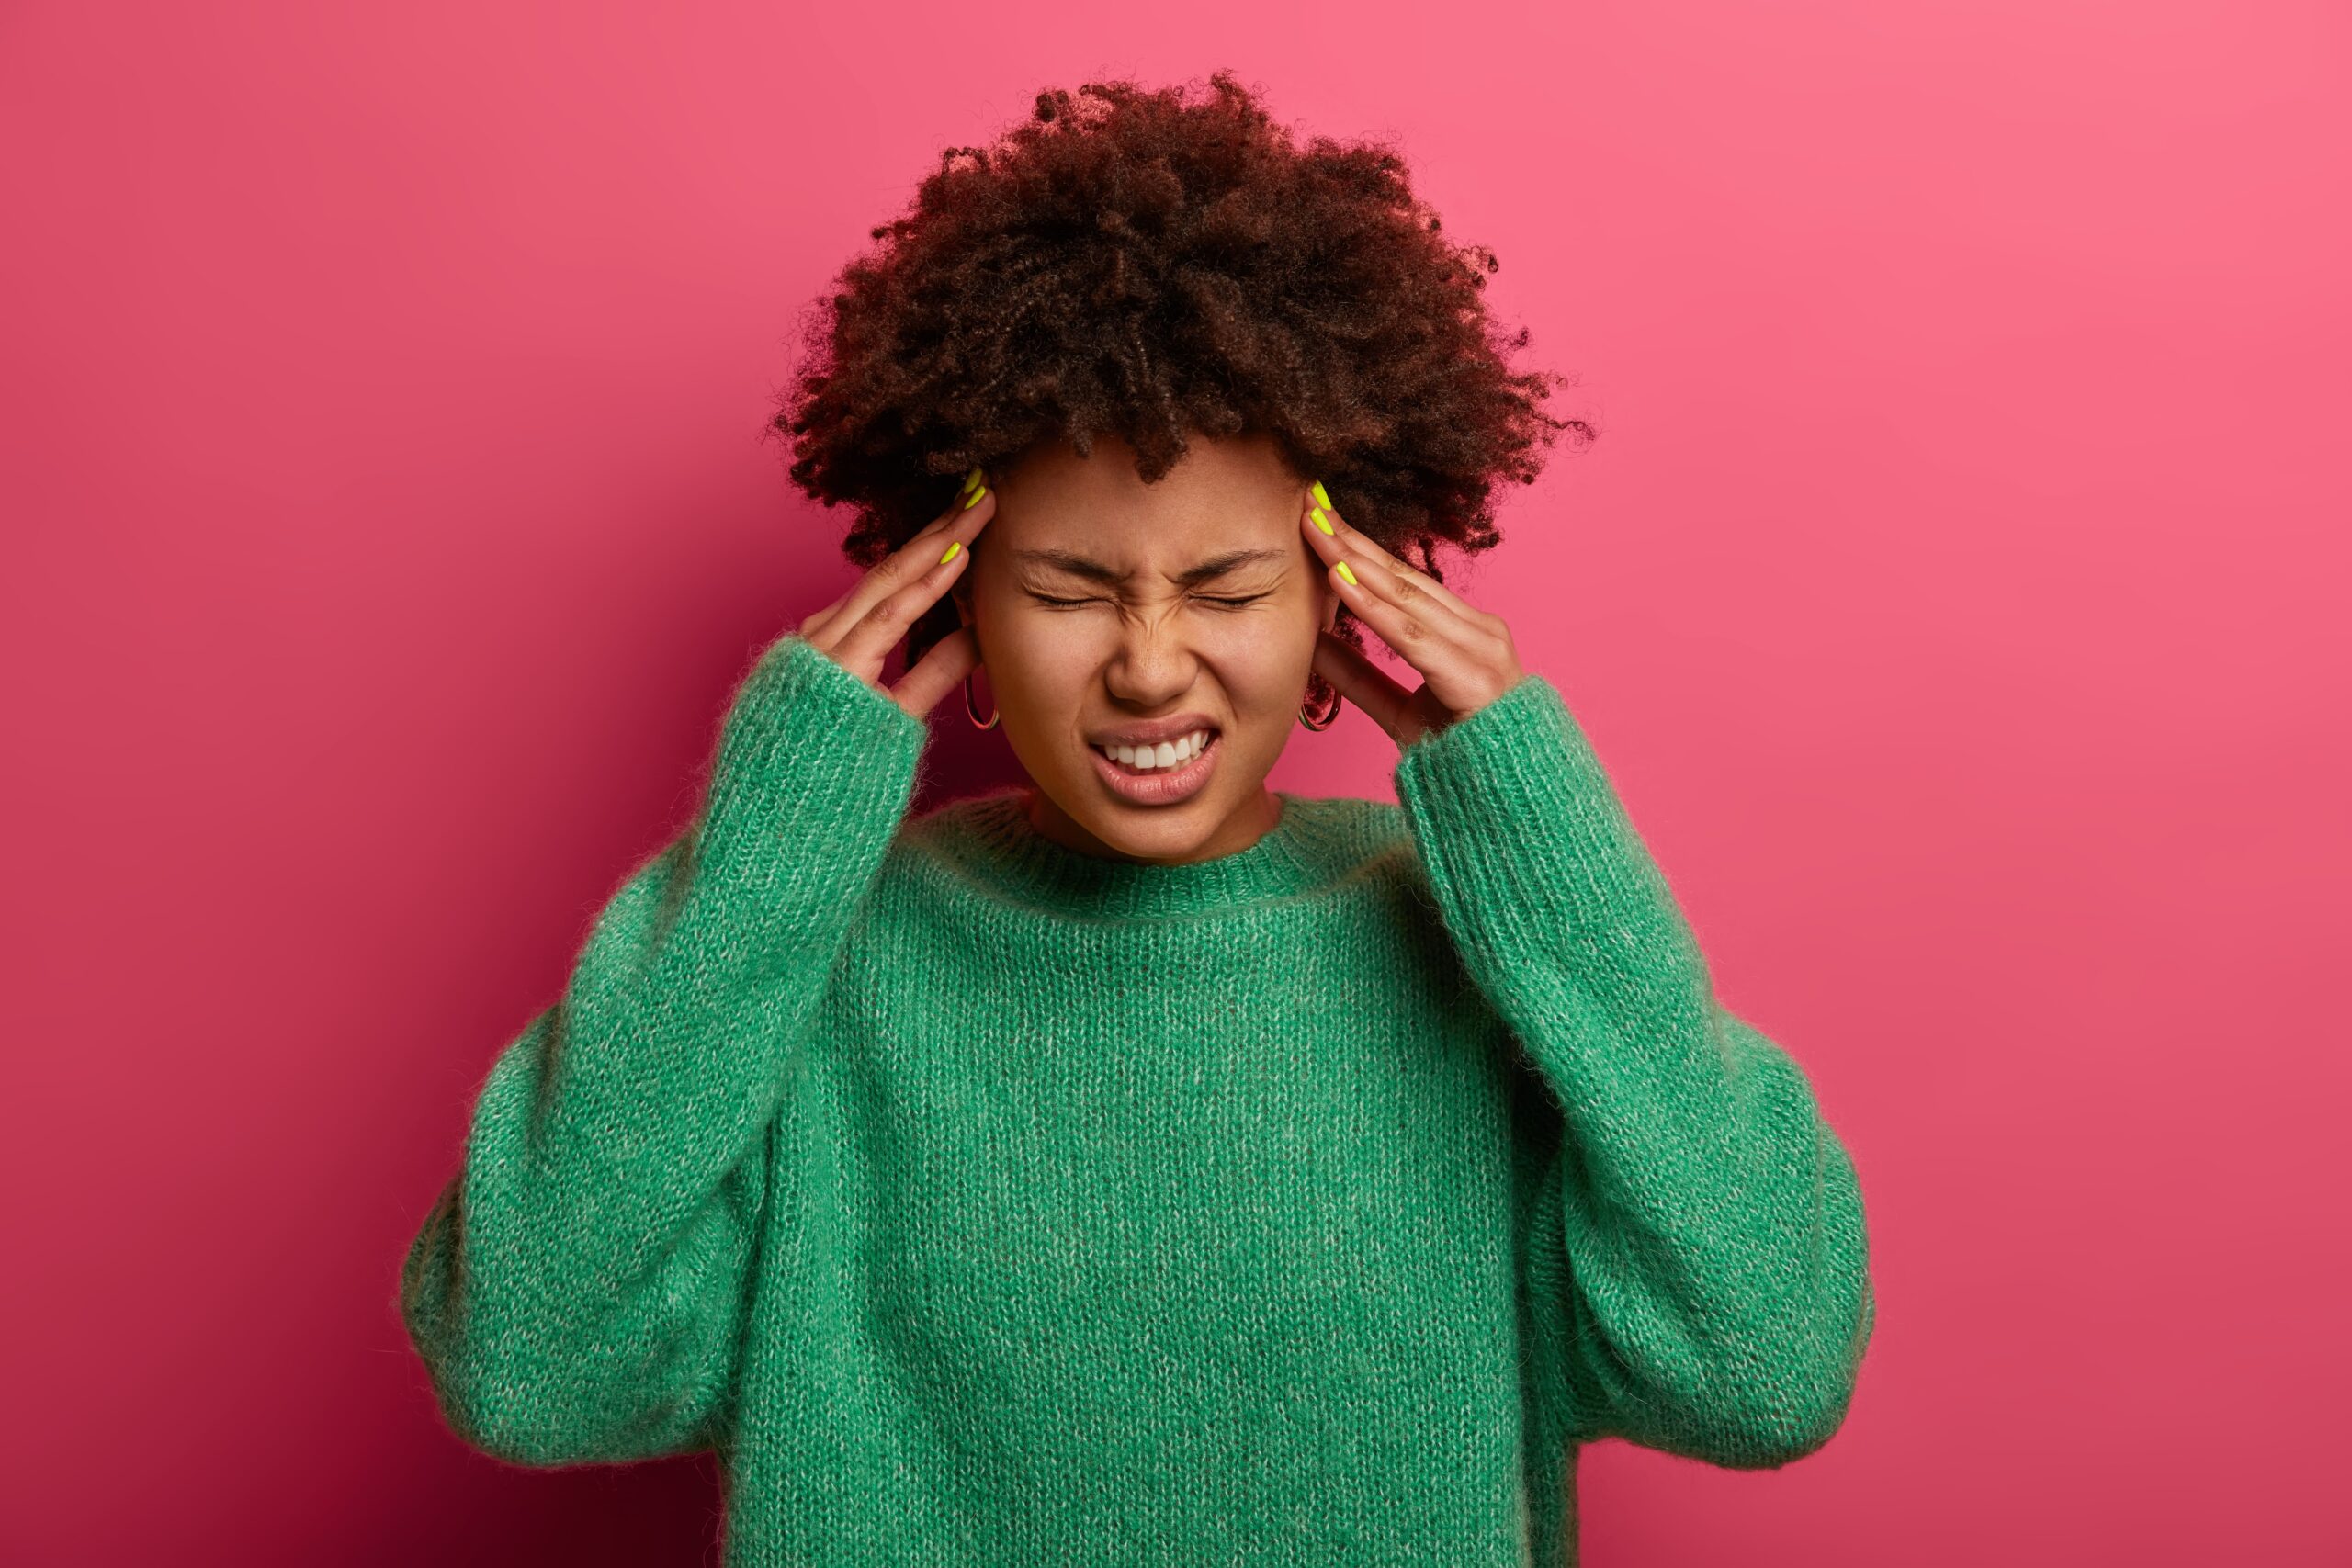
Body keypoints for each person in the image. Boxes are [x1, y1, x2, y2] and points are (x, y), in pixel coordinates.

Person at [399, 72, 1874, 1567]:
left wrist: (1531, 828)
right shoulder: (822, 969)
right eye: (1068, 591)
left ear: (1341, 608)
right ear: (956, 598)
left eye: (1228, 590)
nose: (1151, 662)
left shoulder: (1461, 962)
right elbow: (531, 1365)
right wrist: (772, 851)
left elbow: (1761, 1367)